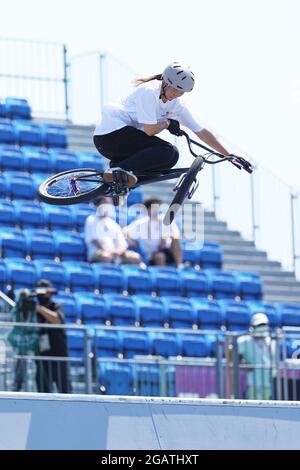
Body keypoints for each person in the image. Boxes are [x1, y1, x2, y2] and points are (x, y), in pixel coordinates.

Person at [93, 61, 230, 186]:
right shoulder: (149, 91)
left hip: (124, 145)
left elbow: (201, 132)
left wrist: (228, 156)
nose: (176, 94)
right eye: (174, 89)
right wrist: (168, 123)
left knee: (169, 160)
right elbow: (149, 131)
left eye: (181, 91)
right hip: (109, 137)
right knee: (168, 151)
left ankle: (122, 181)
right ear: (165, 81)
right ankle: (119, 170)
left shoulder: (177, 106)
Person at [34, 279, 71, 394]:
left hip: (58, 356)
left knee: (64, 389)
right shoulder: (33, 309)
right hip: (42, 356)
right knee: (43, 390)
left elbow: (57, 320)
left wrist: (40, 309)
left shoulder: (56, 306)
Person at [123, 198, 182, 266]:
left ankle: (179, 265)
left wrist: (166, 236)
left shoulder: (166, 220)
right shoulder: (141, 222)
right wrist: (132, 241)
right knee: (160, 257)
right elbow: (124, 231)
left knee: (175, 239)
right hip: (150, 254)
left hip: (167, 250)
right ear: (147, 210)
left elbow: (176, 234)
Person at [84, 196, 142, 264]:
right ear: (97, 205)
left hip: (115, 253)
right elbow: (94, 240)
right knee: (106, 256)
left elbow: (122, 243)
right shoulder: (91, 220)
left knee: (135, 257)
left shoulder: (113, 223)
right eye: (105, 203)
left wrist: (118, 251)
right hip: (98, 252)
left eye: (109, 203)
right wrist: (110, 251)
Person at [238, 313, 276, 400]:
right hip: (253, 383)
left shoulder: (270, 340)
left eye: (264, 324)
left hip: (268, 382)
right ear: (253, 326)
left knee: (267, 408)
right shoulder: (245, 340)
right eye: (260, 325)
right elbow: (231, 352)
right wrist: (242, 362)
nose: (262, 327)